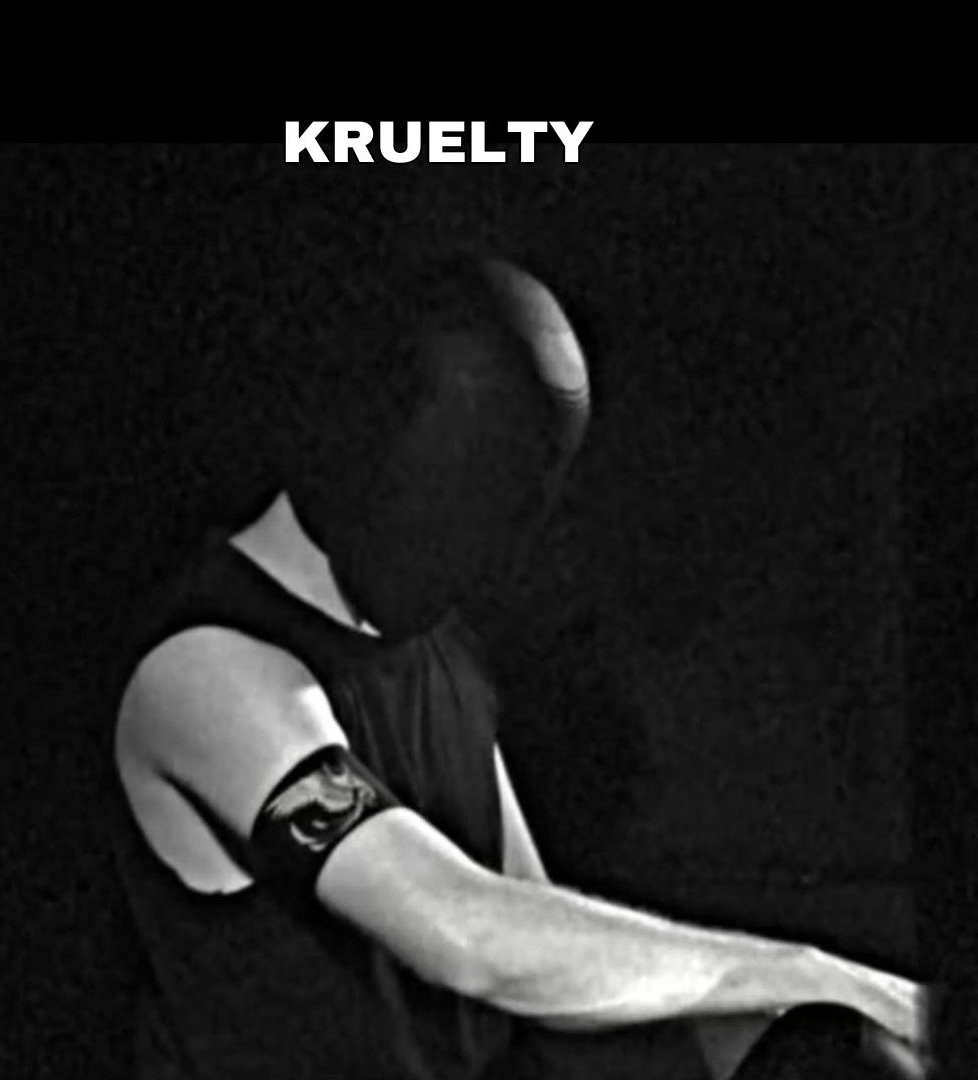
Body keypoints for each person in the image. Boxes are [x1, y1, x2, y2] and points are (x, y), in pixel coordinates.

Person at [109, 251, 928, 1079]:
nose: (493, 552)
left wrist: (798, 1029)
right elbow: (465, 933)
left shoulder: (439, 661)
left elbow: (542, 948)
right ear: (381, 442)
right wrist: (810, 974)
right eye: (474, 491)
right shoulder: (202, 673)